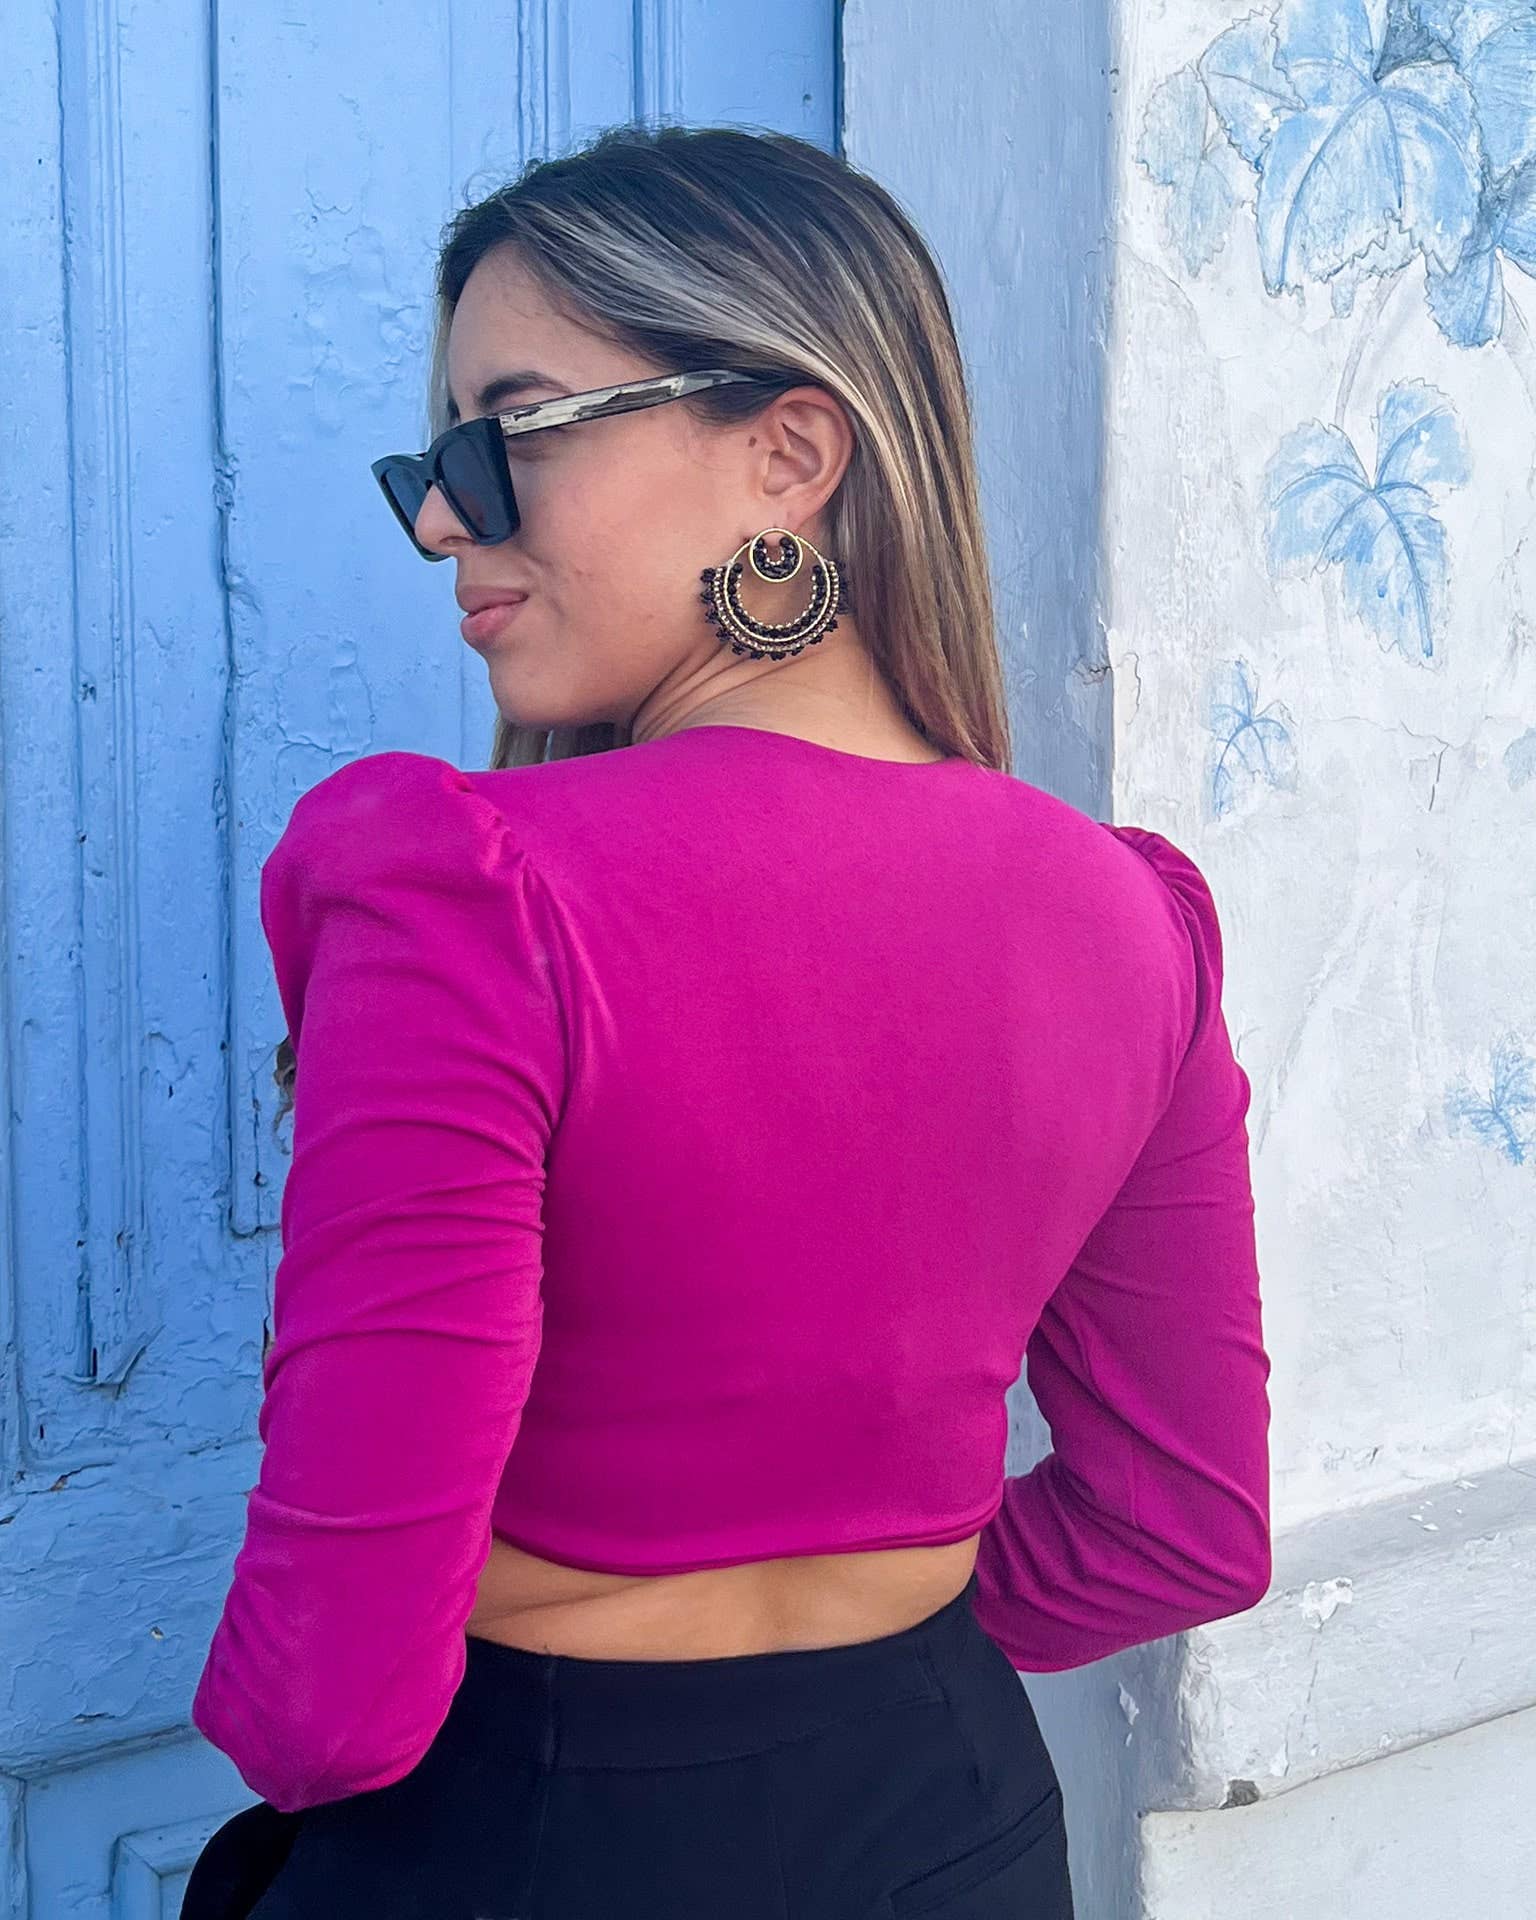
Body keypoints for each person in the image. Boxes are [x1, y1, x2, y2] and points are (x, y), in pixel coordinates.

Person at [180, 122, 1271, 1919]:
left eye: (508, 435)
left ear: (788, 455)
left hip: (527, 1837)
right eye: (431, 463)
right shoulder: (1131, 919)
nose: (445, 517)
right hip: (954, 1815)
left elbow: (330, 1696)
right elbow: (1182, 1528)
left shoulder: (465, 890)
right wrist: (872, 1653)